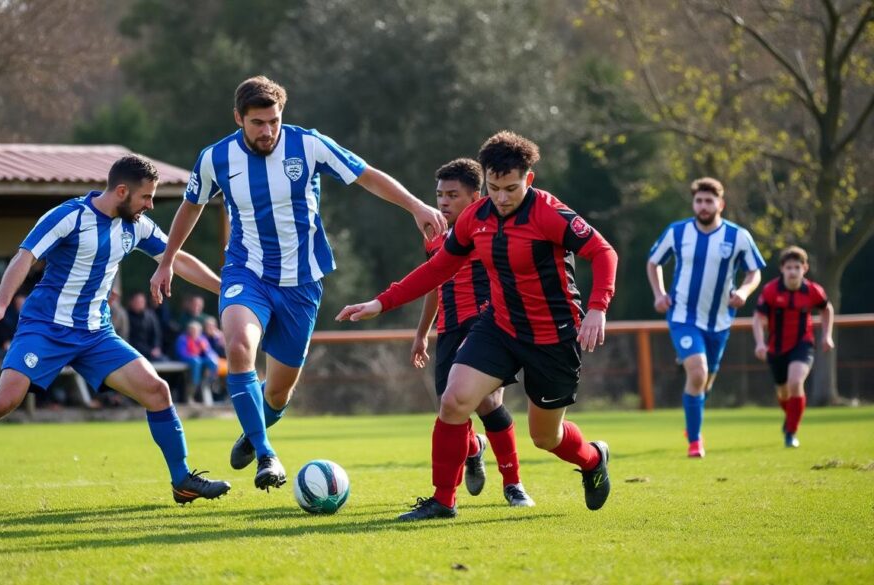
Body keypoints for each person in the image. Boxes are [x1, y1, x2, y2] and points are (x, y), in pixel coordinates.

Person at [149, 76, 446, 491]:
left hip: (302, 283)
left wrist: (415, 205)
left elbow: (365, 175)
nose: (267, 130)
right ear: (238, 118)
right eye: (257, 123)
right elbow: (190, 206)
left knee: (277, 394)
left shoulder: (307, 144)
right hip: (246, 271)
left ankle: (255, 431)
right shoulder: (215, 158)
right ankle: (267, 453)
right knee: (238, 347)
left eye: (273, 120)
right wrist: (166, 262)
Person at [0, 155, 231, 507]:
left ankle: (182, 480)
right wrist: (0, 303)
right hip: (45, 327)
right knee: (3, 401)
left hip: (95, 333)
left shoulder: (137, 226)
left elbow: (175, 258)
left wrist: (226, 289)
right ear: (121, 191)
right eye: (146, 198)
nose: (150, 206)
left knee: (157, 390)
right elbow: (24, 257)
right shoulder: (69, 216)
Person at [337, 131, 616, 521]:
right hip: (499, 327)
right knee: (454, 402)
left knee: (545, 437)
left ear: (529, 179)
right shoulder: (476, 218)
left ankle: (592, 459)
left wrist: (598, 308)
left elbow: (603, 252)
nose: (502, 197)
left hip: (552, 338)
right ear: (485, 180)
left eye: (512, 188)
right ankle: (442, 500)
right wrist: (381, 302)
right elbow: (437, 269)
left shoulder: (550, 213)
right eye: (495, 187)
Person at [409, 158, 531, 507]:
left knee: (489, 402)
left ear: (475, 196)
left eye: (452, 195)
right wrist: (422, 334)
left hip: (485, 326)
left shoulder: (489, 229)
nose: (443, 202)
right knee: (453, 408)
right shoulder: (434, 236)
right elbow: (432, 284)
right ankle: (474, 447)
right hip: (448, 330)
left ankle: (514, 484)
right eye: (439, 195)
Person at [647, 177, 765, 458]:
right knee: (697, 373)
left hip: (720, 320)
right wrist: (659, 294)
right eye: (698, 200)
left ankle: (693, 418)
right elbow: (654, 262)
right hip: (683, 316)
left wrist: (745, 291)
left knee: (706, 381)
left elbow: (754, 271)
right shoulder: (677, 232)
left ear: (720, 204)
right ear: (693, 203)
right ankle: (695, 441)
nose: (703, 206)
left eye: (709, 201)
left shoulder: (738, 236)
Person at [752, 246, 834, 448]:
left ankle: (791, 432)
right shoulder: (771, 290)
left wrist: (827, 335)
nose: (793, 271)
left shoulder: (813, 290)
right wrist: (760, 343)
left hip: (802, 345)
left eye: (797, 267)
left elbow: (827, 309)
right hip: (776, 348)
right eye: (789, 267)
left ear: (804, 268)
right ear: (782, 269)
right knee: (783, 392)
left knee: (795, 382)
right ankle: (791, 418)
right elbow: (758, 317)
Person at [175, 321, 220, 400]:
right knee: (196, 361)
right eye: (192, 330)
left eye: (196, 331)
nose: (194, 332)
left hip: (200, 361)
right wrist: (194, 356)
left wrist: (206, 351)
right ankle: (192, 390)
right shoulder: (183, 339)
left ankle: (209, 382)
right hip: (189, 361)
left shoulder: (202, 339)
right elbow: (182, 354)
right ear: (188, 330)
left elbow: (210, 352)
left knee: (212, 361)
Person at [127, 292, 165, 361]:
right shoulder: (126, 316)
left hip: (151, 352)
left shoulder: (150, 316)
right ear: (131, 302)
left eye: (142, 301)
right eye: (137, 301)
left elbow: (156, 334)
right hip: (133, 352)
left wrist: (156, 347)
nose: (140, 304)